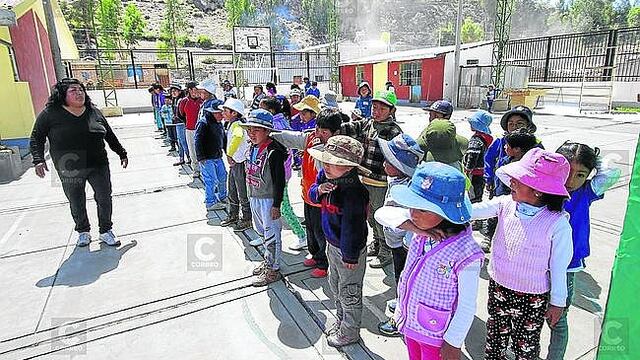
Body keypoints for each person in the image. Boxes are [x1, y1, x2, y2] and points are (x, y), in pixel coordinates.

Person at [471, 148, 573, 360]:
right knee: (495, 339)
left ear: (539, 190)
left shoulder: (557, 224)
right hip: (499, 287)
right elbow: (476, 210)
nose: (512, 183)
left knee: (524, 348)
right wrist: (448, 207)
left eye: (519, 179)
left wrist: (557, 302)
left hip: (532, 298)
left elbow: (558, 267)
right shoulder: (506, 204)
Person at [375, 162, 483, 360]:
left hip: (437, 333)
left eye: (423, 210)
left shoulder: (467, 254)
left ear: (447, 213)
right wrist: (416, 229)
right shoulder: (421, 226)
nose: (414, 214)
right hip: (411, 322)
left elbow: (467, 305)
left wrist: (453, 342)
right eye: (412, 206)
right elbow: (381, 214)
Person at [30, 78, 128, 247]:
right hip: (68, 165)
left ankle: (105, 230)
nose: (79, 93)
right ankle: (83, 231)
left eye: (81, 89)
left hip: (98, 163)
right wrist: (38, 160)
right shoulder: (50, 113)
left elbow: (109, 135)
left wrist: (121, 153)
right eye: (73, 90)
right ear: (62, 95)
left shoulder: (94, 111)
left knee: (104, 197)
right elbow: (36, 137)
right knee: (76, 199)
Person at [547, 142, 621, 360]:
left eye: (581, 174)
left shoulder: (586, 192)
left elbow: (613, 172)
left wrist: (592, 157)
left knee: (558, 321)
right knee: (532, 315)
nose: (572, 181)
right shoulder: (543, 187)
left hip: (568, 267)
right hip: (538, 263)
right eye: (567, 171)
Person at [308, 135, 370, 347]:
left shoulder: (354, 192)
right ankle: (342, 320)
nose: (325, 165)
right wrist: (318, 190)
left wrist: (350, 254)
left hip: (348, 251)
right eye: (325, 160)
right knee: (335, 284)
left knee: (349, 290)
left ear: (349, 167)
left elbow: (353, 227)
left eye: (333, 162)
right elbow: (312, 195)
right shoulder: (325, 177)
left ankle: (350, 331)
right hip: (332, 245)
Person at [270, 108, 343, 278]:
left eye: (324, 132)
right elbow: (290, 138)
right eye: (317, 129)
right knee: (310, 229)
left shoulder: (336, 147)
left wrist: (318, 146)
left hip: (323, 201)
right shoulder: (310, 137)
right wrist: (271, 134)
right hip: (308, 196)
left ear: (335, 132)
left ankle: (325, 264)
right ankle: (315, 254)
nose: (318, 133)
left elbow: (322, 167)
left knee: (322, 232)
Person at [341, 90, 403, 269]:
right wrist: (332, 123)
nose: (376, 111)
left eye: (381, 108)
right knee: (369, 216)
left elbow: (397, 160)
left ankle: (386, 252)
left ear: (391, 110)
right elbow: (351, 127)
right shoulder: (369, 123)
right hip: (365, 178)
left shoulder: (394, 131)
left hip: (381, 182)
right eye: (374, 107)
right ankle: (376, 243)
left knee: (380, 217)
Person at [373, 134, 424, 338]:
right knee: (400, 277)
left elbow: (400, 219)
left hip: (406, 246)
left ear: (401, 166)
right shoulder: (397, 178)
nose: (385, 163)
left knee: (406, 278)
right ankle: (402, 299)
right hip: (397, 244)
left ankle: (403, 320)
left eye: (389, 160)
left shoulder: (407, 188)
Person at [482, 106, 542, 251]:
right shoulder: (500, 142)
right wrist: (489, 178)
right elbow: (489, 159)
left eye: (519, 124)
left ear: (528, 126)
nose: (514, 127)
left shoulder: (536, 145)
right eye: (511, 124)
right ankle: (489, 236)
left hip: (524, 190)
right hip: (500, 187)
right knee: (496, 210)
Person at [240, 109, 288, 287]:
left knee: (272, 234)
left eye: (256, 130)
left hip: (268, 199)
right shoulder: (252, 147)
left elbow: (279, 181)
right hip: (255, 196)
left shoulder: (273, 152)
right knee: (261, 232)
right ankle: (268, 261)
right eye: (249, 130)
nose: (251, 133)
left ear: (267, 131)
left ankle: (273, 269)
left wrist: (276, 205)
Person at [260, 97, 307, 251]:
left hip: (280, 171)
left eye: (263, 109)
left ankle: (301, 235)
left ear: (271, 110)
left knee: (284, 206)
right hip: (280, 169)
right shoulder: (279, 121)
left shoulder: (275, 125)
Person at [220, 98, 253, 232]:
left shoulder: (237, 125)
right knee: (232, 189)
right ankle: (233, 215)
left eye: (225, 111)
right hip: (236, 164)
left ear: (234, 113)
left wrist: (229, 154)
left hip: (239, 163)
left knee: (241, 192)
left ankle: (246, 218)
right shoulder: (232, 124)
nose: (223, 113)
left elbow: (238, 138)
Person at [195, 99, 228, 212]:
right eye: (220, 113)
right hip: (207, 159)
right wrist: (201, 158)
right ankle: (210, 202)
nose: (222, 115)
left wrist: (227, 152)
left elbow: (223, 139)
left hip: (217, 157)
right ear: (213, 112)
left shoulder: (219, 123)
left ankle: (223, 197)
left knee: (223, 177)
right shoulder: (203, 123)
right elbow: (198, 141)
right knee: (211, 181)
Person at [463, 110, 494, 203]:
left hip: (474, 171)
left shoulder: (475, 139)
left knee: (472, 192)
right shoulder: (486, 138)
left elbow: (472, 155)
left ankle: (474, 210)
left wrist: (468, 169)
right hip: (482, 170)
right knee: (479, 190)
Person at [180, 81, 204, 178]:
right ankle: (196, 169)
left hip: (201, 129)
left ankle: (203, 170)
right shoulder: (184, 101)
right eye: (195, 89)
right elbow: (181, 114)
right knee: (192, 150)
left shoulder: (202, 101)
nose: (197, 91)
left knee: (202, 150)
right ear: (189, 90)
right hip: (190, 129)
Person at [291, 95, 321, 170]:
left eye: (303, 114)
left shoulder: (317, 126)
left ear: (313, 114)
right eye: (300, 113)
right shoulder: (300, 122)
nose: (301, 116)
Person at [170, 84, 189, 166]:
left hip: (181, 123)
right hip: (177, 123)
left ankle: (189, 157)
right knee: (180, 141)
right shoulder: (175, 99)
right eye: (172, 91)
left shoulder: (181, 100)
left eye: (175, 91)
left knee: (183, 141)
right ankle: (182, 158)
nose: (173, 93)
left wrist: (178, 117)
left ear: (179, 91)